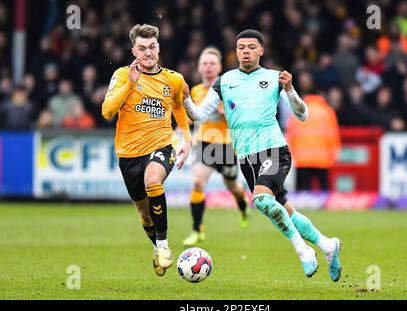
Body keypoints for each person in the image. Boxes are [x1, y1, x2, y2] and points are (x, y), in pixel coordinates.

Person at [183, 29, 342, 281]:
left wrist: (289, 90)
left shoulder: (274, 78)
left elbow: (302, 115)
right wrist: (183, 98)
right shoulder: (224, 81)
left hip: (274, 149)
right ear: (235, 52)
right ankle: (328, 245)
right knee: (283, 210)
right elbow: (200, 115)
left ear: (261, 51)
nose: (245, 51)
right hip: (247, 159)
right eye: (241, 47)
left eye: (251, 47)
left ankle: (303, 250)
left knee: (261, 201)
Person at [101, 24, 192, 277]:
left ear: (159, 47)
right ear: (134, 51)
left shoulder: (173, 79)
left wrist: (186, 137)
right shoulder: (122, 76)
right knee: (144, 214)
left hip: (163, 144)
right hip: (129, 155)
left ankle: (163, 246)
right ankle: (158, 247)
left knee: (154, 179)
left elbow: (178, 108)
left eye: (152, 47)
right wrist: (130, 85)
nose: (148, 52)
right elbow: (107, 112)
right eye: (142, 48)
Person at [183, 47, 250, 247]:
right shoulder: (195, 91)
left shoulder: (229, 88)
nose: (208, 67)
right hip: (204, 144)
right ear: (199, 68)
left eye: (212, 63)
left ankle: (243, 204)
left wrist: (226, 113)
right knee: (198, 183)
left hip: (227, 145)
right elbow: (190, 117)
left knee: (232, 186)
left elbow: (242, 116)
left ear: (219, 67)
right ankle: (197, 230)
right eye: (205, 63)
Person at [285, 94, 341, 191]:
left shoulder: (297, 111)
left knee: (303, 191)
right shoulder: (327, 112)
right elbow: (333, 136)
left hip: (302, 159)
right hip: (323, 159)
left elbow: (291, 135)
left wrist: (291, 154)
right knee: (324, 189)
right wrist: (334, 155)